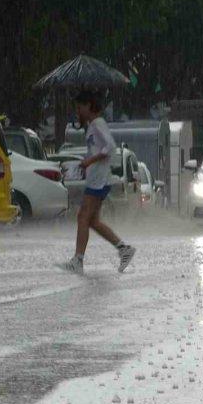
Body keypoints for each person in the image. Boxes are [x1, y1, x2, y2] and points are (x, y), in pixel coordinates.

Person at [59, 90, 136, 274]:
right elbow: (98, 149)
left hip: (99, 180)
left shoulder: (98, 123)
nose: (78, 112)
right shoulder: (92, 125)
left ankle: (78, 261)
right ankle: (124, 249)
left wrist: (90, 161)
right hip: (96, 179)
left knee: (82, 217)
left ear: (88, 106)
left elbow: (110, 147)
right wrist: (85, 164)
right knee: (93, 221)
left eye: (79, 107)